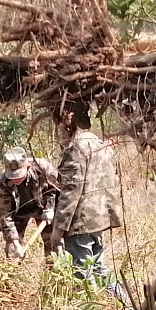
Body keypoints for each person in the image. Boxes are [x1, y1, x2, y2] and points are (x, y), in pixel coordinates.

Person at [45, 106, 122, 281]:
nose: (59, 131)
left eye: (59, 126)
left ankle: (92, 308)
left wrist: (58, 229)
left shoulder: (76, 149)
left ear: (67, 123)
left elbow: (71, 191)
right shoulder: (100, 144)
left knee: (83, 276)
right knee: (100, 271)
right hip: (99, 218)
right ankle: (127, 305)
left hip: (81, 222)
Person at [0, 146, 58, 259]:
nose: (15, 179)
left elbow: (55, 189)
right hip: (18, 212)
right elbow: (4, 213)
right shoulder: (3, 182)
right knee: (13, 250)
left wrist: (50, 208)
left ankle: (53, 273)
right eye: (12, 176)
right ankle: (13, 273)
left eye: (19, 175)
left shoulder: (42, 168)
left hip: (43, 208)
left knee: (53, 246)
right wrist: (13, 240)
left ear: (28, 167)